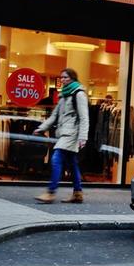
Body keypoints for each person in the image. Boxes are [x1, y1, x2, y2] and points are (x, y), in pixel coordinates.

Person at [33, 68, 89, 204]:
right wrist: (41, 128)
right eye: (61, 77)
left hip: (72, 134)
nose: (62, 80)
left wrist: (83, 137)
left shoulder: (79, 94)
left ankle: (51, 192)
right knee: (72, 163)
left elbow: (84, 117)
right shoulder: (64, 95)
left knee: (56, 158)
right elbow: (54, 116)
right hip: (64, 133)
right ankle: (77, 193)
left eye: (65, 77)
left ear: (72, 78)